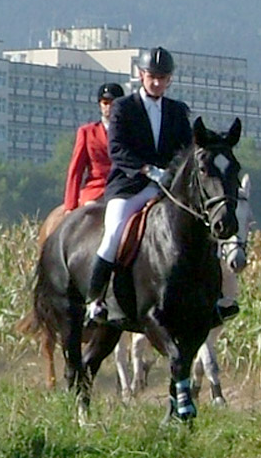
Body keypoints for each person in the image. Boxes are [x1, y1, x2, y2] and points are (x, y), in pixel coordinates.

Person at [84, 46, 195, 326]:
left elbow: (186, 150)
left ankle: (213, 296)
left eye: (163, 78)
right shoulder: (123, 107)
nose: (157, 82)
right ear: (141, 75)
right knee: (114, 232)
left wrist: (170, 173)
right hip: (130, 185)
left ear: (169, 80)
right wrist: (146, 169)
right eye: (152, 76)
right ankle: (95, 299)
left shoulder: (177, 111)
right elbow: (117, 150)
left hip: (167, 187)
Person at [64, 81, 124, 211]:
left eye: (113, 103)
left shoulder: (130, 133)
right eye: (105, 103)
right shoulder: (87, 132)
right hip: (96, 191)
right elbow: (76, 169)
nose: (109, 107)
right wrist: (70, 205)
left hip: (122, 190)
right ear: (100, 105)